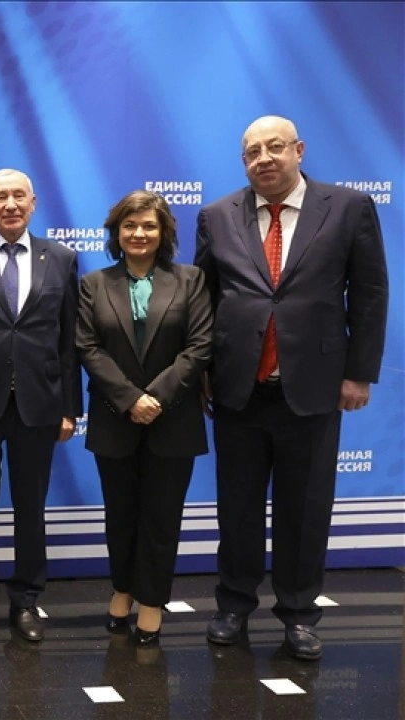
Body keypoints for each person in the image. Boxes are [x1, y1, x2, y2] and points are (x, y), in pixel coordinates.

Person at [195, 115, 388, 660]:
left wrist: (358, 373)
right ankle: (233, 605)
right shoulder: (216, 216)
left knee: (305, 510)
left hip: (315, 387)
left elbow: (370, 293)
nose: (264, 158)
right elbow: (203, 299)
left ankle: (299, 614)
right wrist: (203, 371)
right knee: (237, 508)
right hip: (238, 388)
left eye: (274, 147)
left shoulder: (348, 207)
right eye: (252, 152)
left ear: (299, 149)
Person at [0, 168, 81, 642]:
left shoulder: (61, 258)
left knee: (31, 508)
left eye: (18, 196)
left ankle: (26, 598)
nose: (10, 204)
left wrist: (70, 407)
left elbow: (69, 341)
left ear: (33, 202)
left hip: (39, 404)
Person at [77, 190, 213, 644]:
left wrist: (155, 397)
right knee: (120, 516)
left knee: (161, 516)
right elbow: (87, 347)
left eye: (149, 226)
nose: (139, 233)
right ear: (117, 232)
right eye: (130, 225)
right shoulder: (94, 283)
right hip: (114, 417)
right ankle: (122, 589)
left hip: (173, 418)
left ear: (164, 232)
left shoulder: (190, 280)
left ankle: (151, 601)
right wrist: (130, 399)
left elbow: (200, 346)